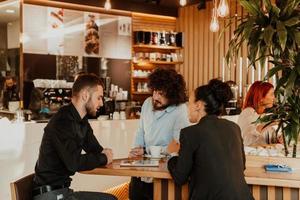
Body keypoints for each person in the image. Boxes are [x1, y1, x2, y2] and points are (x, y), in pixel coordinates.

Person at [32, 74, 117, 200]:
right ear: (85, 95)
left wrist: (103, 155)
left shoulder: (81, 121)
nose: (101, 103)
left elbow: (95, 150)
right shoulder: (62, 121)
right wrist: (104, 157)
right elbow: (74, 163)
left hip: (63, 192)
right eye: (99, 98)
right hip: (50, 195)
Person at [167, 79, 254, 200]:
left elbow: (180, 177)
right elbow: (242, 166)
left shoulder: (190, 133)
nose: (187, 106)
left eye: (189, 102)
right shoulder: (234, 128)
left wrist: (172, 154)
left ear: (198, 105)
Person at [128, 68, 190, 200]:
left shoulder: (180, 110)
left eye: (161, 94)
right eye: (155, 91)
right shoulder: (147, 103)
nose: (155, 97)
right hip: (140, 171)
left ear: (172, 95)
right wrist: (136, 150)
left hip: (163, 174)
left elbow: (177, 145)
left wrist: (146, 150)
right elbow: (140, 131)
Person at [237, 81, 278, 146]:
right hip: (252, 155)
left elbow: (269, 137)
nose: (274, 98)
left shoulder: (262, 115)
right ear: (261, 97)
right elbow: (247, 140)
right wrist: (270, 123)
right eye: (271, 94)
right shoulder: (248, 112)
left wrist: (278, 138)